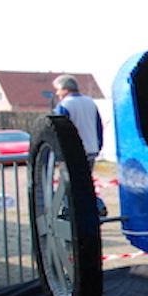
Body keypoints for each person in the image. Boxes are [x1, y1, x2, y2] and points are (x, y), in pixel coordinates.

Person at [52, 74, 107, 216]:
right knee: (86, 182)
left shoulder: (64, 105)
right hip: (91, 149)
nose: (57, 94)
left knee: (68, 183)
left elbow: (60, 131)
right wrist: (98, 145)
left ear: (65, 89)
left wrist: (59, 152)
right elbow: (98, 126)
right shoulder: (90, 102)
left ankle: (68, 211)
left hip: (73, 152)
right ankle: (96, 206)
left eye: (58, 90)